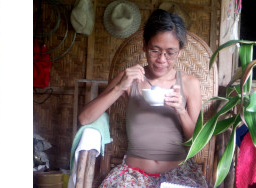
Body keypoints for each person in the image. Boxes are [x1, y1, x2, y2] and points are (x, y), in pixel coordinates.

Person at [77, 9, 206, 187]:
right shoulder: (129, 78)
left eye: (170, 52)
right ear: (144, 46)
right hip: (132, 176)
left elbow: (198, 143)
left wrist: (181, 111)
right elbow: (85, 118)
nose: (162, 59)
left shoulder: (190, 84)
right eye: (155, 50)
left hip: (178, 175)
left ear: (180, 52)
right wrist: (119, 87)